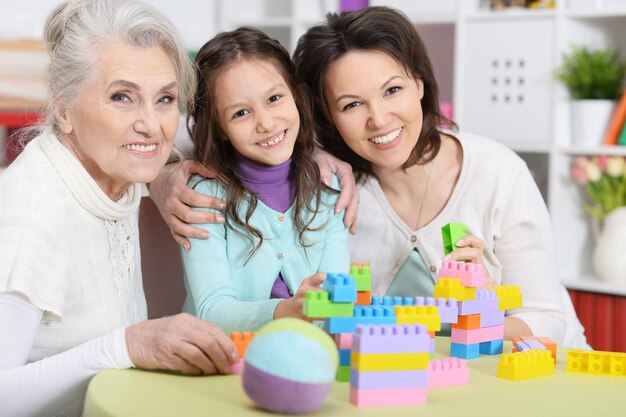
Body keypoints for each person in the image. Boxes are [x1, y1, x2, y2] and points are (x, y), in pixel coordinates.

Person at [292, 6, 587, 348]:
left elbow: (548, 321)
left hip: (534, 376)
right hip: (413, 383)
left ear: (419, 82)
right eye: (352, 105)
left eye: (392, 90)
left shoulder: (498, 172)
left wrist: (484, 311)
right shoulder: (334, 192)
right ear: (327, 115)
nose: (379, 118)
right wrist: (307, 151)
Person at [0, 1, 238, 416]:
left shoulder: (108, 166)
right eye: (122, 96)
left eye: (165, 98)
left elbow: (179, 141)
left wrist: (316, 155)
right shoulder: (31, 218)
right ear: (63, 109)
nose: (151, 123)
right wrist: (128, 344)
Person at [180, 27, 350, 335]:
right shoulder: (204, 198)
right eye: (241, 112)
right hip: (223, 362)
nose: (266, 123)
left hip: (307, 356)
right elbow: (211, 311)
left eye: (274, 98)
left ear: (296, 96)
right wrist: (287, 311)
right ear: (219, 127)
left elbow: (337, 303)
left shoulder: (328, 188)